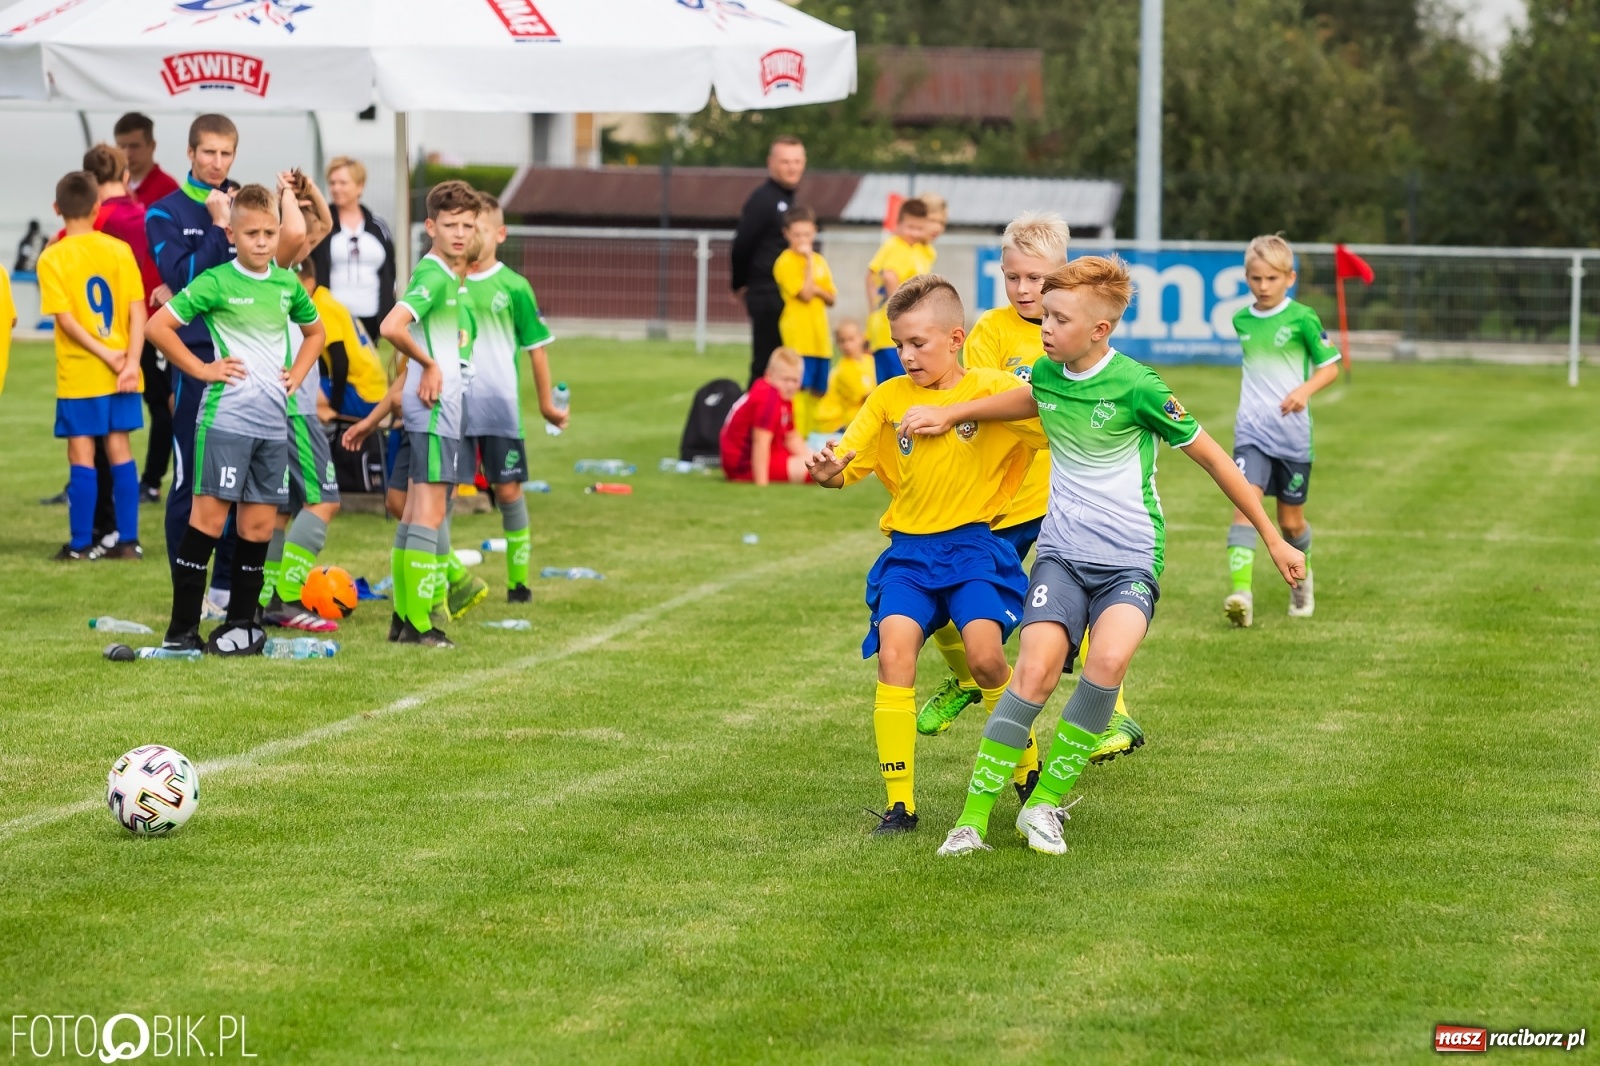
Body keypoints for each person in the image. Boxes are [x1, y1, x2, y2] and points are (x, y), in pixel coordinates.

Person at [891, 257, 1304, 857]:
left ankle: (1042, 807)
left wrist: (1271, 536)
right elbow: (1023, 402)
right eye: (1045, 316)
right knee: (1032, 672)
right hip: (1061, 555)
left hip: (1132, 560)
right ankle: (971, 821)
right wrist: (949, 412)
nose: (1046, 327)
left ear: (1100, 330)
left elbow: (1216, 459)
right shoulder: (1048, 374)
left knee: (1107, 662)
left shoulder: (1140, 387)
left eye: (1060, 318)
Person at [805, 275, 1045, 835]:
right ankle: (900, 806)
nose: (907, 356)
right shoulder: (887, 398)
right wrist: (827, 474)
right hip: (909, 556)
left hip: (974, 548)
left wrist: (964, 413)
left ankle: (1027, 774)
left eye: (919, 343)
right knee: (894, 654)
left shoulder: (992, 387)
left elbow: (1046, 408)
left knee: (986, 658)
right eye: (899, 345)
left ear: (956, 337)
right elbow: (848, 460)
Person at [916, 211, 1145, 769]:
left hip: (1061, 498)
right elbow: (990, 401)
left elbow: (1072, 409)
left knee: (1087, 602)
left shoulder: (1074, 329)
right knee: (944, 592)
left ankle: (1116, 715)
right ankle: (969, 678)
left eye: (1036, 279)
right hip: (1000, 499)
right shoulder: (992, 332)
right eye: (1012, 276)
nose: (1024, 289)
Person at [146, 184, 325, 655]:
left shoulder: (287, 284)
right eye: (251, 233)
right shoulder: (216, 281)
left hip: (272, 425)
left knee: (259, 529)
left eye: (270, 232)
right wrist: (203, 369)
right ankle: (182, 630)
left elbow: (316, 332)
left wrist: (298, 373)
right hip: (226, 422)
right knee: (208, 522)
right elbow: (157, 327)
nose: (262, 242)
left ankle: (242, 627)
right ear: (231, 232)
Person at [378, 180, 481, 648]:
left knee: (416, 512)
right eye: (450, 224)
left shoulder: (440, 273)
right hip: (436, 409)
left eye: (467, 224)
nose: (459, 233)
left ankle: (404, 620)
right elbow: (391, 326)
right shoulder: (436, 275)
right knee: (430, 514)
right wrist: (429, 364)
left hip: (431, 408)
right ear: (430, 226)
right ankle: (421, 624)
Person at [145, 113, 242, 610]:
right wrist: (219, 225)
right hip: (194, 361)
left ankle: (225, 588)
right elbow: (182, 281)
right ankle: (189, 592)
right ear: (190, 152)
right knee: (190, 478)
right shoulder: (164, 211)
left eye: (226, 154)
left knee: (237, 480)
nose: (217, 163)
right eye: (208, 152)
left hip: (246, 357)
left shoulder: (244, 201)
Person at [1224, 234, 1339, 627]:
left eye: (1272, 278)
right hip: (1251, 433)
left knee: (1291, 523)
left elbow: (1331, 367)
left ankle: (1301, 583)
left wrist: (1303, 391)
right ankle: (1241, 595)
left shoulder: (1303, 318)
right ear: (1247, 277)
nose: (1263, 286)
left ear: (1289, 278)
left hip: (1291, 436)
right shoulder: (1241, 319)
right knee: (1244, 509)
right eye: (1256, 278)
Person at [37, 171, 146, 561]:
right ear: (98, 208)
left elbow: (66, 320)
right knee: (121, 450)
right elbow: (138, 311)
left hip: (82, 372)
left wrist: (105, 355)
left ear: (57, 209)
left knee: (81, 455)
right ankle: (128, 541)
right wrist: (129, 360)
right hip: (122, 372)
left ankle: (81, 544)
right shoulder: (119, 250)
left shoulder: (52, 258)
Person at [464, 192, 566, 603]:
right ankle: (442, 581)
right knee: (440, 492)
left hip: (499, 409)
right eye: (465, 228)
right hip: (452, 408)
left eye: (480, 229)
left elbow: (535, 348)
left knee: (507, 490)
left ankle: (518, 582)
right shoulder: (445, 279)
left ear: (500, 234)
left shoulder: (514, 287)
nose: (470, 237)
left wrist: (546, 405)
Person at [260, 201, 344, 634]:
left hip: (281, 405)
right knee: (324, 500)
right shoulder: (280, 271)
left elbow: (322, 225)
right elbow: (303, 233)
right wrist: (287, 198)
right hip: (294, 410)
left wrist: (301, 192)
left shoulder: (265, 270)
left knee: (279, 510)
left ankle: (263, 599)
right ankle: (286, 597)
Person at [730, 135, 806, 385]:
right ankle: (751, 420)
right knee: (766, 364)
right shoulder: (764, 200)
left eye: (797, 161)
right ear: (770, 162)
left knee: (785, 364)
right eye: (785, 161)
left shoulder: (789, 199)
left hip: (786, 293)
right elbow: (742, 244)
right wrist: (739, 284)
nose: (792, 167)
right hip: (767, 292)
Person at [312, 156, 397, 342]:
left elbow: (390, 269)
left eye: (343, 183)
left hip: (371, 316)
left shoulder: (378, 226)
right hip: (332, 317)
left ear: (360, 186)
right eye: (332, 183)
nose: (336, 188)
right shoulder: (320, 223)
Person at [770, 205, 835, 438]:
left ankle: (812, 440)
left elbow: (831, 297)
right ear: (786, 234)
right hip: (798, 337)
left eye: (807, 234)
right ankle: (795, 439)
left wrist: (817, 284)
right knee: (798, 389)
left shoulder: (820, 261)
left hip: (820, 338)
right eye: (797, 235)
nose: (802, 240)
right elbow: (806, 294)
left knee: (819, 391)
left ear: (814, 232)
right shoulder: (785, 262)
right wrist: (808, 263)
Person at [864, 198, 932, 384]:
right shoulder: (897, 247)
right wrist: (903, 310)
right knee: (900, 384)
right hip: (893, 333)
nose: (914, 233)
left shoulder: (914, 249)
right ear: (899, 224)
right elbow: (889, 277)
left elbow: (870, 275)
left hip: (889, 331)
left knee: (890, 387)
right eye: (910, 227)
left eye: (919, 228)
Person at [720, 347, 809, 486]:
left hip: (765, 454)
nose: (791, 386)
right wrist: (762, 484)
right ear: (769, 375)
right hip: (744, 465)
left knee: (817, 463)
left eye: (795, 380)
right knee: (816, 472)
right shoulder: (768, 397)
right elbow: (760, 442)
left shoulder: (781, 396)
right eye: (785, 379)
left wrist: (809, 456)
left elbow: (791, 436)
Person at [809, 318, 875, 451]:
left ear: (862, 338)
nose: (847, 345)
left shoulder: (869, 360)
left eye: (851, 339)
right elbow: (868, 397)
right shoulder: (844, 370)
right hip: (833, 423)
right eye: (842, 341)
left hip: (850, 418)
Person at [114, 112, 180, 209]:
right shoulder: (115, 186)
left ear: (152, 145)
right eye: (121, 147)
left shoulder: (168, 189)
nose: (127, 154)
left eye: (134, 146)